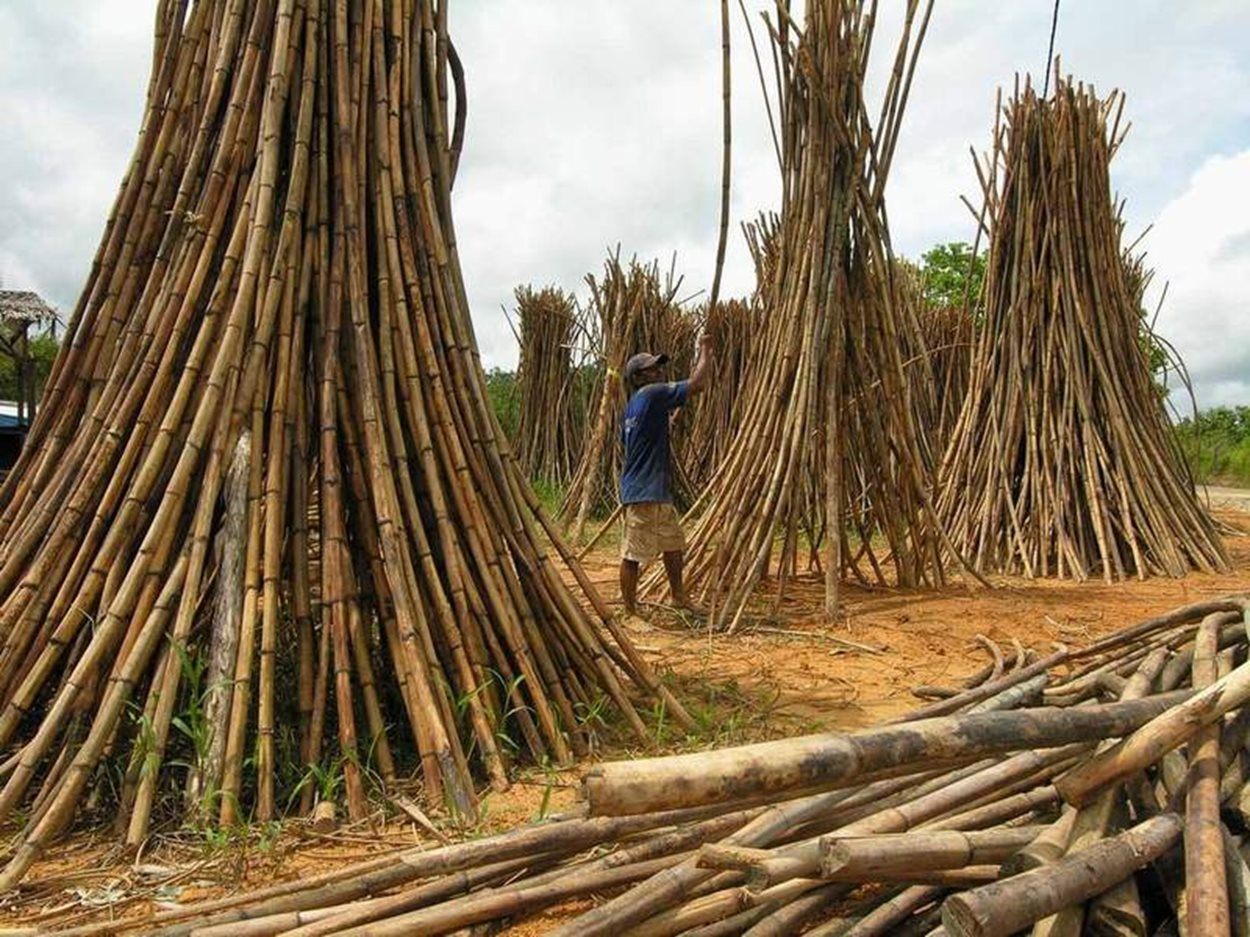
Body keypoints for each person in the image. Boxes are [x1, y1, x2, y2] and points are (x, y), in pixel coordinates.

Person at [618, 333, 713, 616]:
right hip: (644, 491)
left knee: (673, 545)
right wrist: (705, 351)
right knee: (634, 553)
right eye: (652, 369)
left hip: (653, 488)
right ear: (638, 378)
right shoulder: (652, 394)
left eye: (660, 367)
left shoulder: (633, 407)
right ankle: (629, 612)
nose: (660, 371)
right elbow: (699, 384)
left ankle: (679, 596)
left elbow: (632, 443)